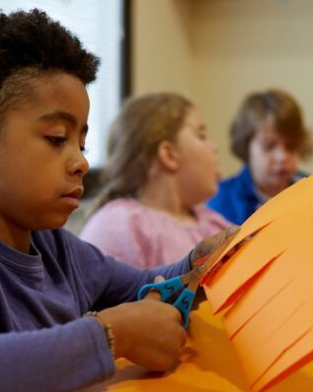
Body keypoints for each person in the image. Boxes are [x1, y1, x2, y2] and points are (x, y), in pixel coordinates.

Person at [0, 9, 228, 392]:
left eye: (82, 142)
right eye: (57, 140)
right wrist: (110, 335)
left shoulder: (55, 246)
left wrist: (202, 263)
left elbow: (148, 286)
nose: (81, 162)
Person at [80, 93, 233, 268]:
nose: (215, 147)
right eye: (201, 135)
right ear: (169, 154)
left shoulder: (213, 223)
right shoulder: (119, 226)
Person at [207, 89, 313, 243]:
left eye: (291, 147)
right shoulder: (222, 200)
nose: (282, 157)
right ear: (246, 147)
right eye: (269, 146)